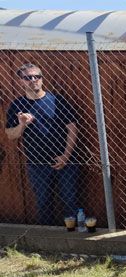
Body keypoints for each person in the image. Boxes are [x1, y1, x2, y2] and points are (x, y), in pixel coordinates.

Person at [5, 63, 79, 225]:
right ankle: (47, 236)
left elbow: (72, 129)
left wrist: (66, 156)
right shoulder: (17, 105)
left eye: (37, 76)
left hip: (65, 161)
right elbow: (10, 135)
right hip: (37, 163)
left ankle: (74, 235)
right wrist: (22, 124)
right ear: (21, 81)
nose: (33, 80)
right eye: (28, 78)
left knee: (70, 201)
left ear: (42, 79)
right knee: (43, 203)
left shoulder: (57, 101)